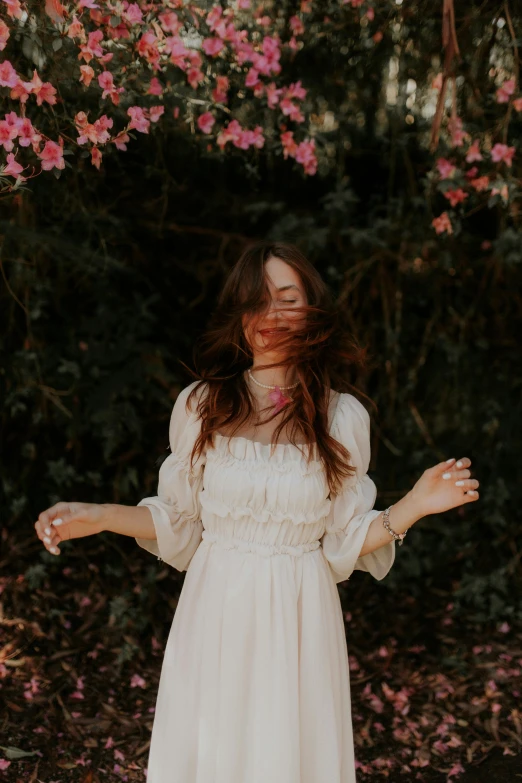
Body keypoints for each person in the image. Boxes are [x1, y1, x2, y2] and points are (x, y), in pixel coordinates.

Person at [35, 241, 479, 783]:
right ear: (238, 315)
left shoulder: (342, 418)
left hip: (301, 615)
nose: (270, 314)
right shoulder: (202, 405)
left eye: (286, 298)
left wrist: (413, 506)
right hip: (214, 606)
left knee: (288, 754)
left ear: (311, 308)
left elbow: (341, 541)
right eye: (256, 299)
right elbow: (179, 524)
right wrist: (100, 514)